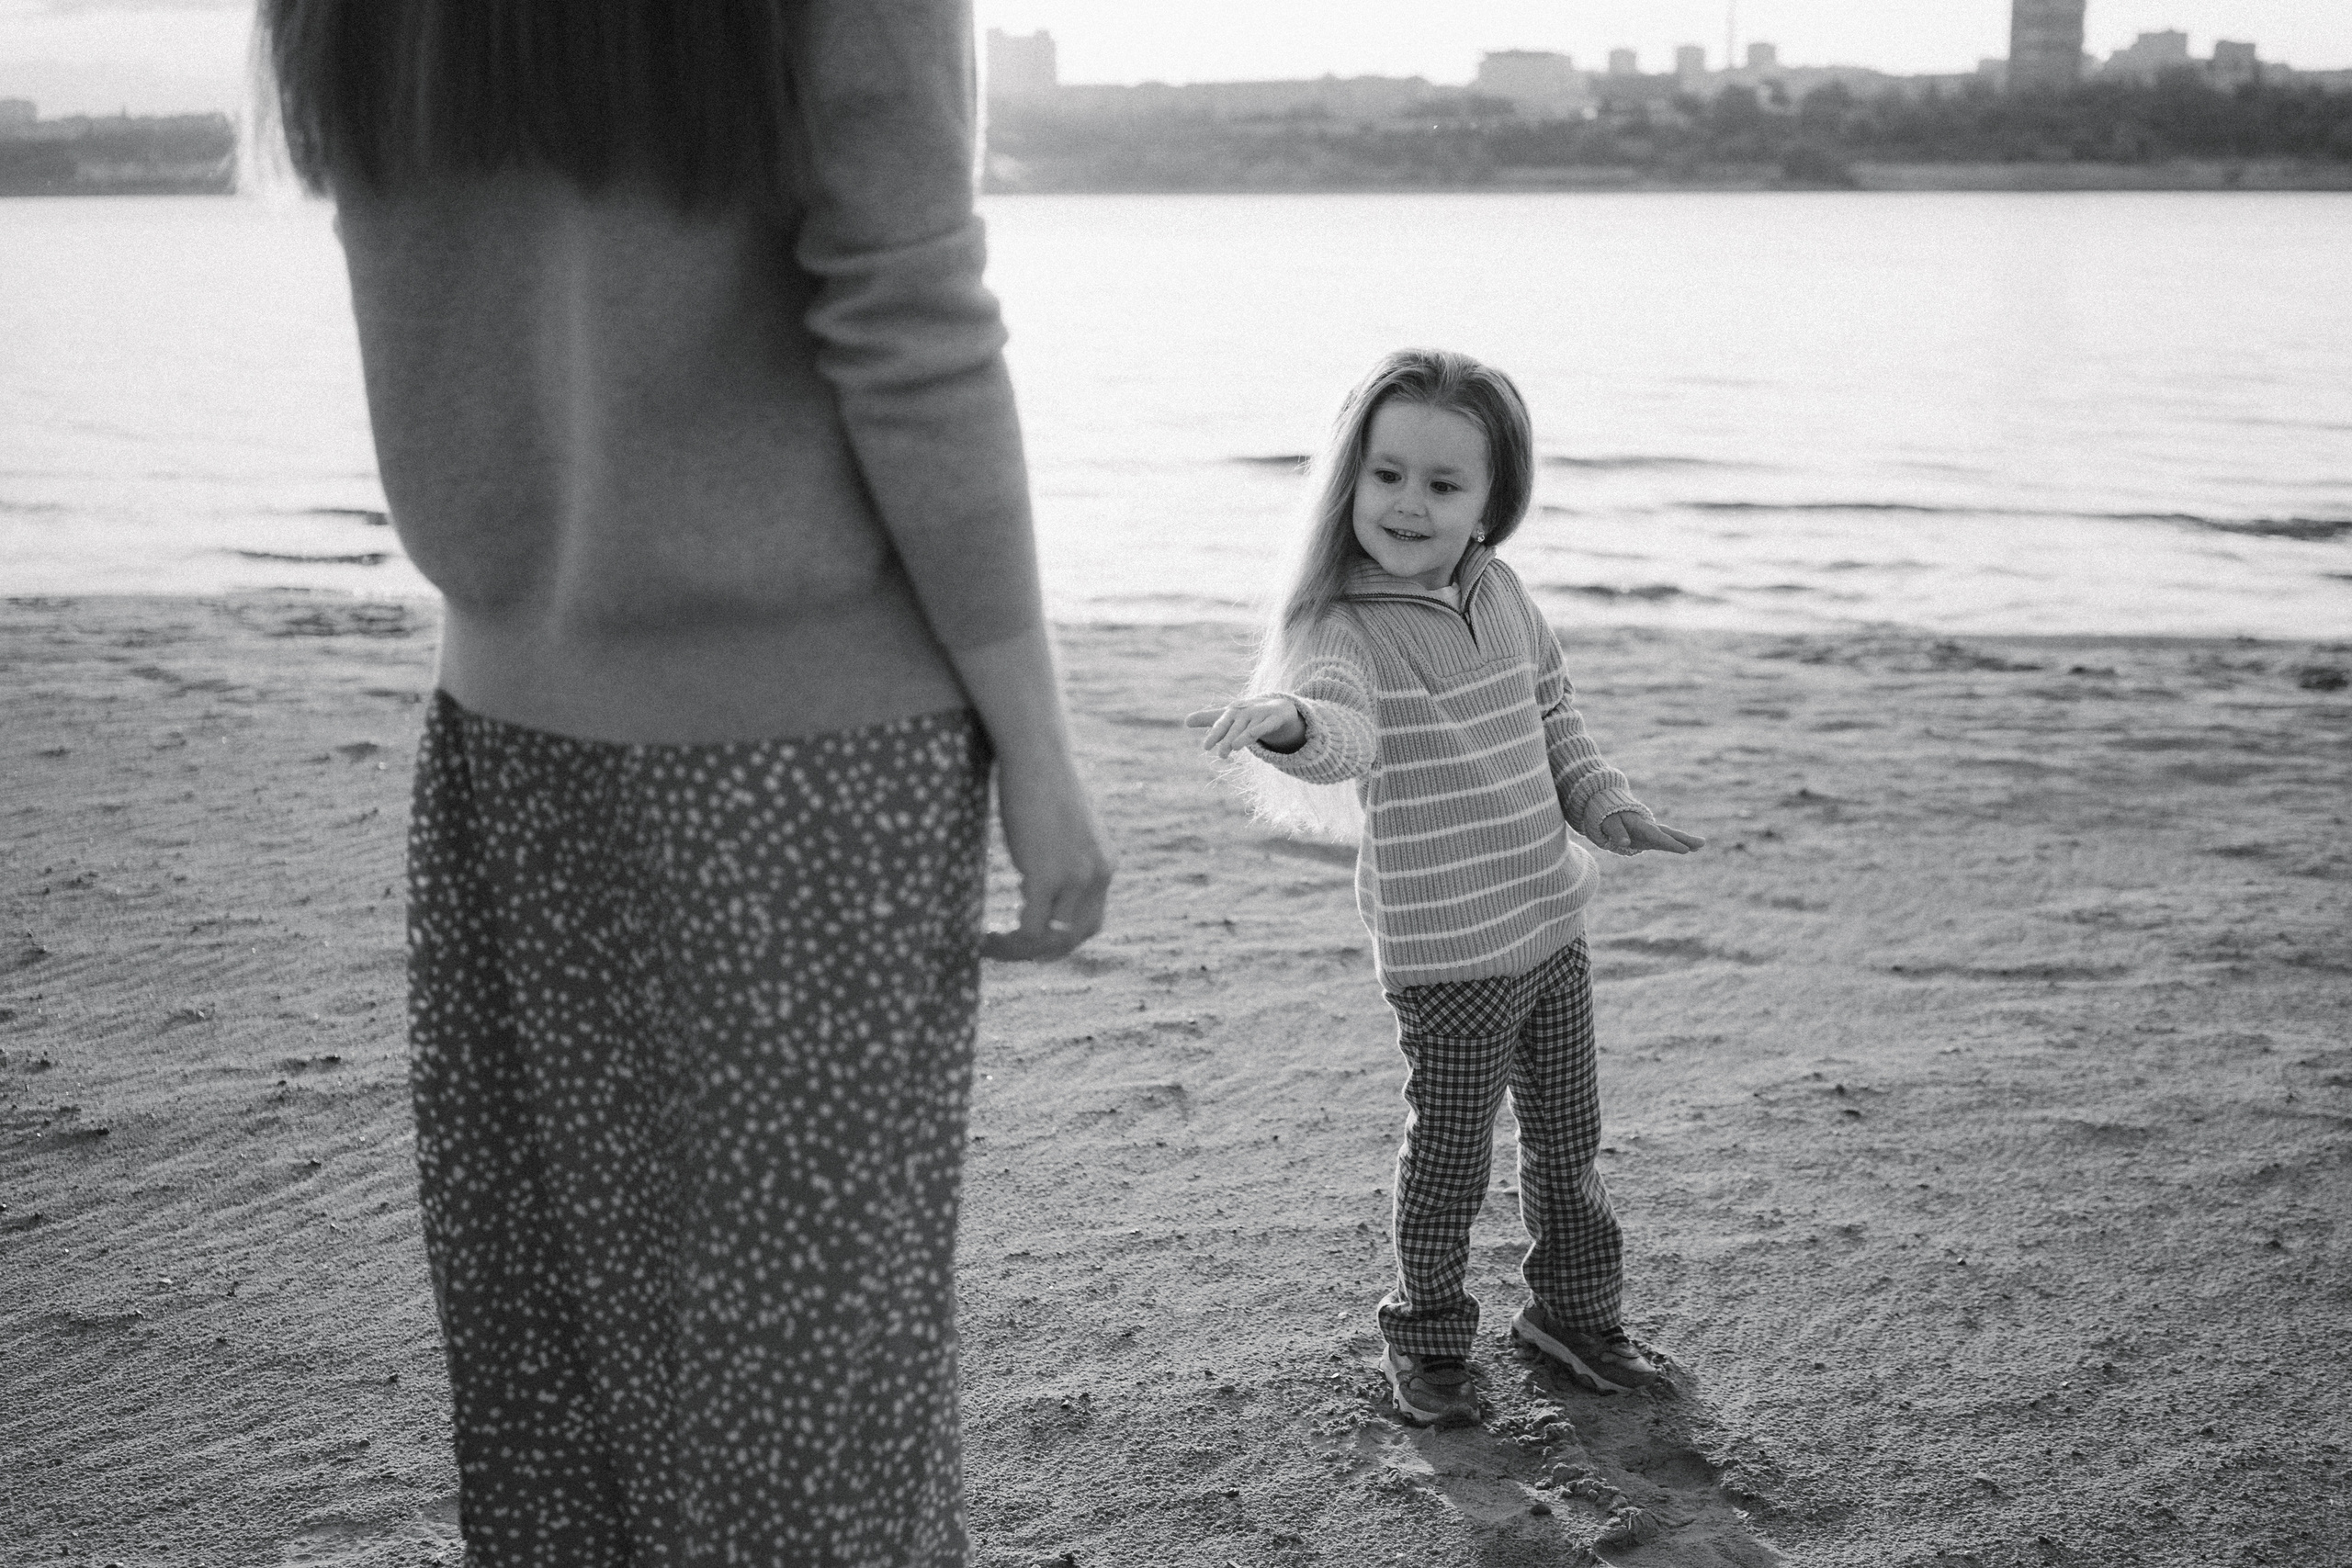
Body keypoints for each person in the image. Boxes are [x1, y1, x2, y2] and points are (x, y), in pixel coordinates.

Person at [257, 0, 1112, 1560]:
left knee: (563, 1390)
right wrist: (1039, 745)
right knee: (810, 1406)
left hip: (505, 734)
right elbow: (912, 323)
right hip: (805, 767)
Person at [1185, 349, 1702, 1429]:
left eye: (1441, 483)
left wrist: (1605, 809)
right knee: (1452, 1163)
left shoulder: (1499, 591)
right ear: (1350, 481)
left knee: (1569, 1148)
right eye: (1385, 475)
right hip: (1447, 951)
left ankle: (1571, 1314)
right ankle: (1425, 1343)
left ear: (1490, 504)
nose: (1407, 503)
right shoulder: (1343, 626)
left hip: (1548, 925)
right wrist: (1285, 725)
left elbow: (1553, 713)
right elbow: (1341, 729)